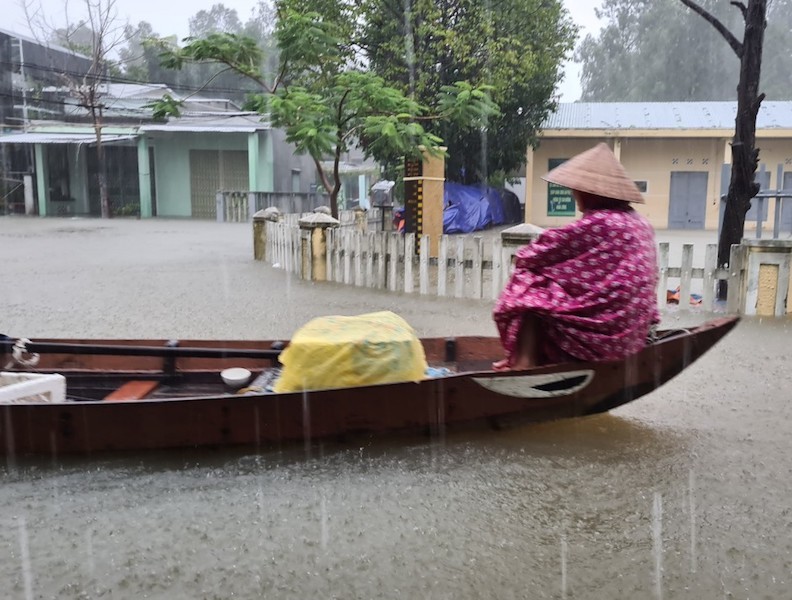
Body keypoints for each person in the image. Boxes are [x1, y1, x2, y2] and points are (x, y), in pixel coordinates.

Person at [492, 142, 660, 371]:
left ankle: (524, 361)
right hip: (633, 331)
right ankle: (522, 355)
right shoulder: (640, 223)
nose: (573, 194)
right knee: (552, 289)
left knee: (531, 284)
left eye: (576, 189)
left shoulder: (602, 222)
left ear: (590, 192)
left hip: (606, 334)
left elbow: (532, 255)